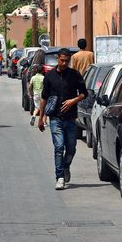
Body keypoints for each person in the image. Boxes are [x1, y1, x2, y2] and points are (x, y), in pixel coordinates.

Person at [37, 48, 87, 190]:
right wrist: (41, 118)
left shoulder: (75, 75)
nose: (64, 63)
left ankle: (65, 167)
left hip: (71, 118)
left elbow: (84, 94)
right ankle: (59, 177)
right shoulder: (50, 76)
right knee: (59, 147)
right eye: (61, 60)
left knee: (71, 149)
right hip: (55, 118)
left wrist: (73, 101)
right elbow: (44, 98)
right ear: (57, 59)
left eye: (66, 61)